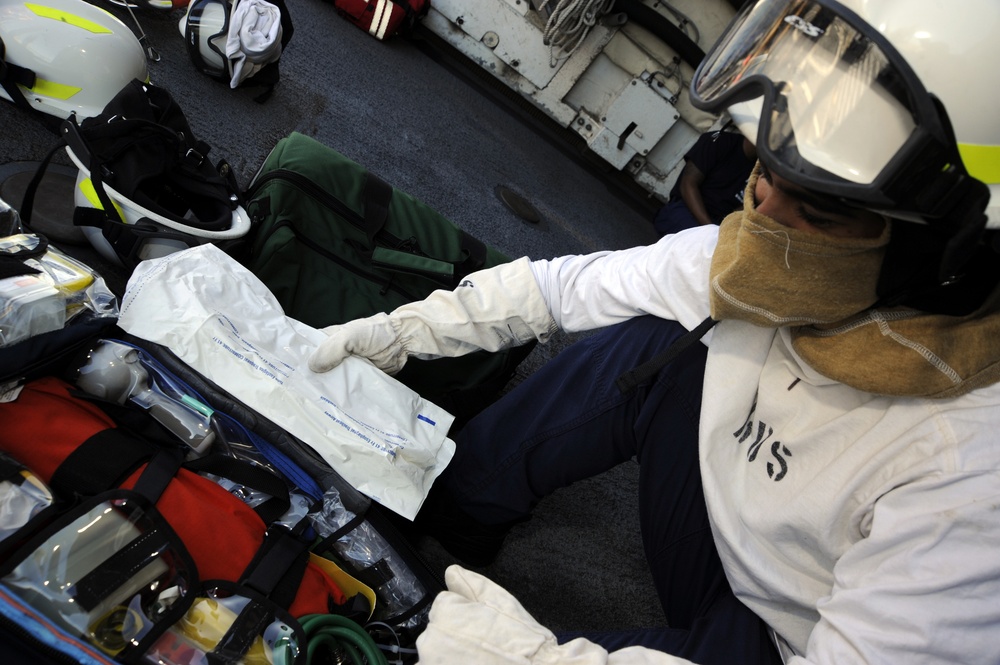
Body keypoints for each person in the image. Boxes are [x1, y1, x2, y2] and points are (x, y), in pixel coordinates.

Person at [308, 0, 1000, 662]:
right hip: (724, 540)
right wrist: (406, 329)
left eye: (818, 210)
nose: (763, 216)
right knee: (664, 347)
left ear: (945, 253)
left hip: (782, 639)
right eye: (769, 171)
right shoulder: (767, 257)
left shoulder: (973, 471)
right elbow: (563, 288)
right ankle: (453, 508)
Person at [652, 128, 757, 236]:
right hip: (685, 210)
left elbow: (742, 211)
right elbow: (688, 184)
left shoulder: (760, 172)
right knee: (696, 243)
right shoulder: (720, 141)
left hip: (716, 224)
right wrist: (709, 229)